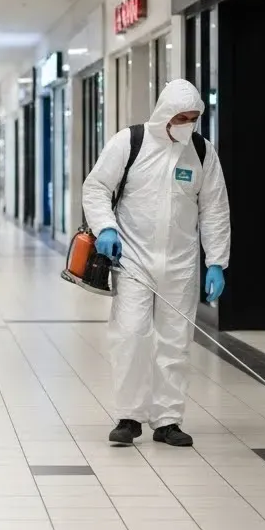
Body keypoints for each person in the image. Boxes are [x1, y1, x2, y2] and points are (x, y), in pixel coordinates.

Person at [81, 79, 231, 447]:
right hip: (132, 257)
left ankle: (167, 420)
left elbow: (214, 208)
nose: (188, 123)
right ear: (165, 113)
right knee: (130, 334)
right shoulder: (129, 142)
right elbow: (96, 187)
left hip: (180, 264)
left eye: (194, 117)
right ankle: (129, 416)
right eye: (182, 117)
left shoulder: (201, 152)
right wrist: (106, 228)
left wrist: (216, 261)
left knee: (175, 342)